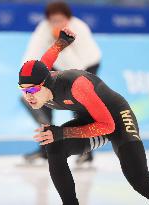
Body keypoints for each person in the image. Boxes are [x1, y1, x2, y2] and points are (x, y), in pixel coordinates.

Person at [18, 28, 149, 205]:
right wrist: (62, 42)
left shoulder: (76, 86)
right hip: (91, 118)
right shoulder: (40, 77)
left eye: (32, 90)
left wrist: (62, 133)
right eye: (23, 90)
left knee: (141, 182)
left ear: (45, 83)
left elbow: (108, 126)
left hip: (116, 119)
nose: (28, 96)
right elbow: (47, 59)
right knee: (53, 146)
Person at [22, 1, 101, 164]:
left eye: (61, 20)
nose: (57, 24)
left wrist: (62, 43)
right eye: (53, 20)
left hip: (87, 65)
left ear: (68, 19)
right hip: (57, 63)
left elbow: (79, 68)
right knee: (42, 99)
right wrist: (27, 81)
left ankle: (85, 150)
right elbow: (31, 55)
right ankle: (45, 147)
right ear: (48, 20)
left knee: (79, 103)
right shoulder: (44, 29)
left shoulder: (79, 28)